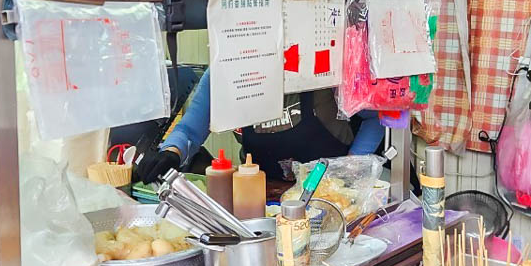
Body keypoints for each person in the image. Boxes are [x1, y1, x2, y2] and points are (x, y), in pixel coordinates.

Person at [134, 67, 383, 182]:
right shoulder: (226, 71)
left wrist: (351, 168)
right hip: (265, 201)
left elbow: (376, 118)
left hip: (333, 195)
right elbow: (190, 129)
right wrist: (171, 153)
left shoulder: (323, 64)